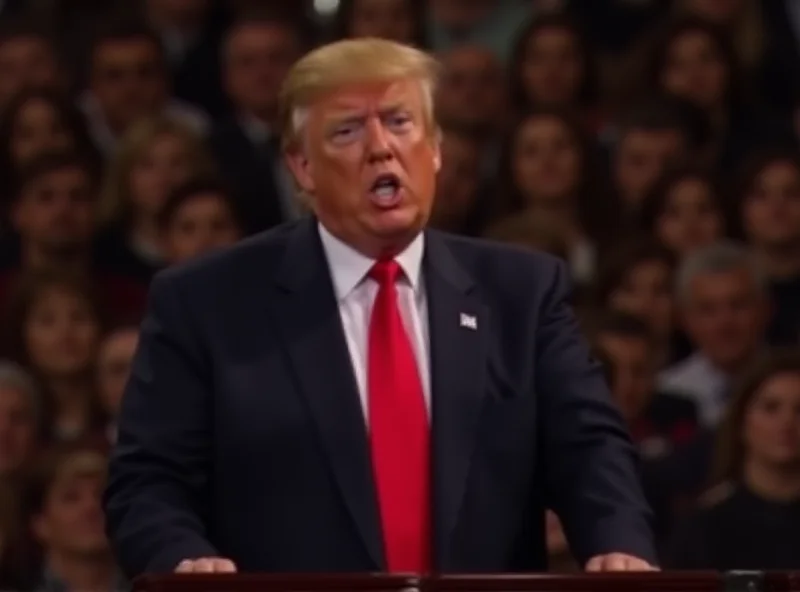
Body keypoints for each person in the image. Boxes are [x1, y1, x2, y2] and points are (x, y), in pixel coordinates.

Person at [104, 38, 657, 576]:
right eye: (347, 130)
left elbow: (589, 449)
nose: (380, 147)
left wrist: (618, 546)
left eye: (399, 121)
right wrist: (182, 559)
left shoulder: (520, 291)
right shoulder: (207, 302)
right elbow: (149, 481)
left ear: (435, 148)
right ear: (302, 167)